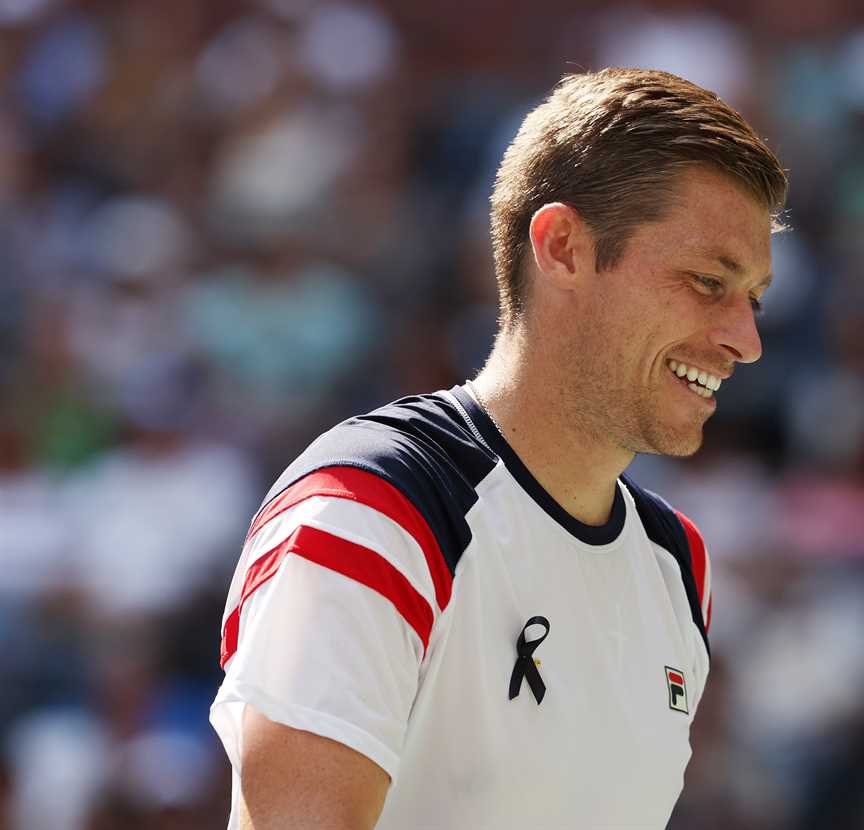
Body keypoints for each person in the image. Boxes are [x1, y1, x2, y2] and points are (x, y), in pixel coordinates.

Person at [208, 67, 787, 829]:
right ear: (564, 247)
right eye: (708, 281)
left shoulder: (680, 567)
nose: (745, 341)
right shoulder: (369, 513)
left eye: (754, 298)